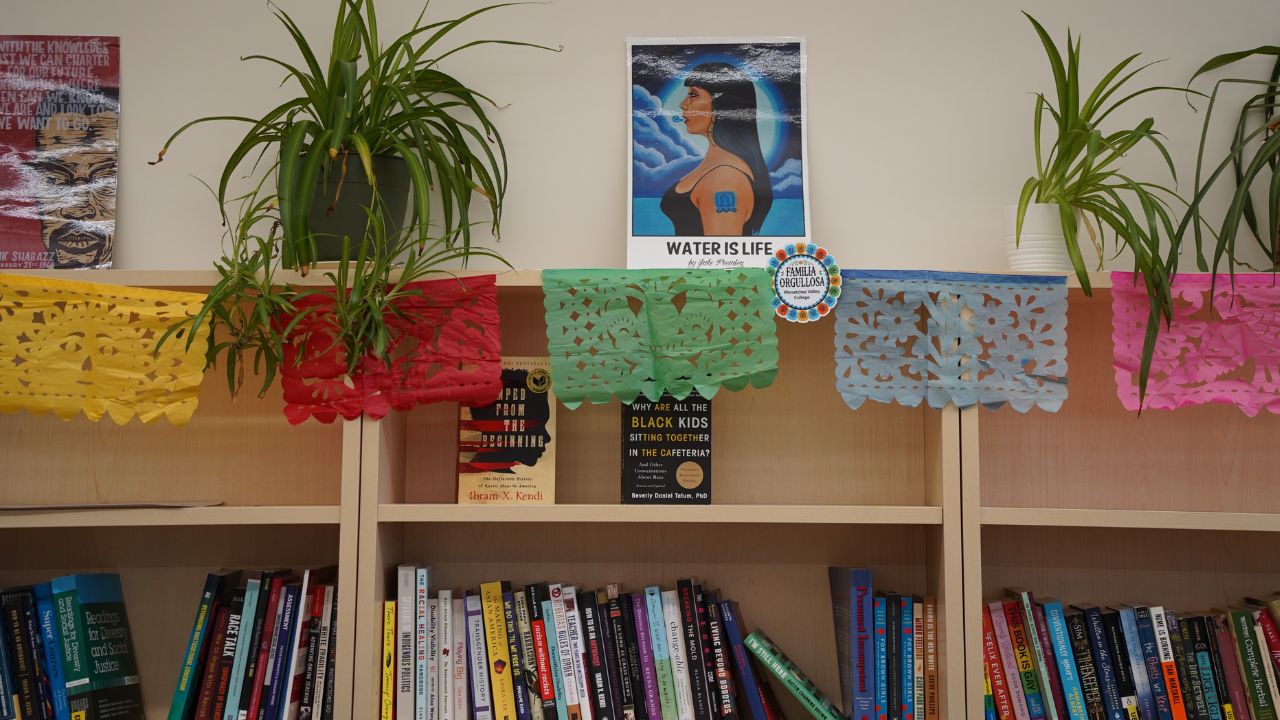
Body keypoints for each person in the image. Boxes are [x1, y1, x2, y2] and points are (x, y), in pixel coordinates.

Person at [660, 62, 773, 237]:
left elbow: (722, 259)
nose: (683, 104)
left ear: (721, 106)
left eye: (693, 95)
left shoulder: (726, 178)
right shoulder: (718, 164)